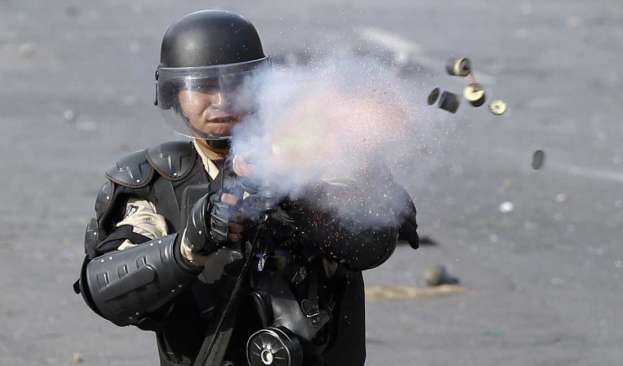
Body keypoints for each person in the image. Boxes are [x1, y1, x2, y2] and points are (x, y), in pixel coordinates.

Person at [73, 9, 418, 366]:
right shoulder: (155, 182)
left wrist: (294, 195)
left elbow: (371, 244)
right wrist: (190, 245)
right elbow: (104, 291)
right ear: (176, 95)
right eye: (204, 87)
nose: (222, 101)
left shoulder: (323, 157)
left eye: (236, 83)